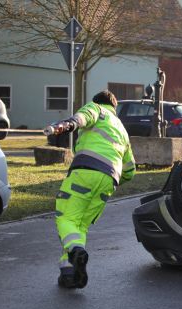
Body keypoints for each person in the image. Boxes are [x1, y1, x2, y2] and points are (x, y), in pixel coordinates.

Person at [43, 90, 135, 289]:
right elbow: (130, 171)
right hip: (109, 180)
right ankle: (69, 273)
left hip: (86, 170)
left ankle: (76, 252)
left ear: (97, 102)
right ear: (115, 107)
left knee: (66, 218)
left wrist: (67, 124)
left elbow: (83, 117)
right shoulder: (122, 129)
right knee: (79, 227)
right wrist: (111, 179)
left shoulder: (97, 109)